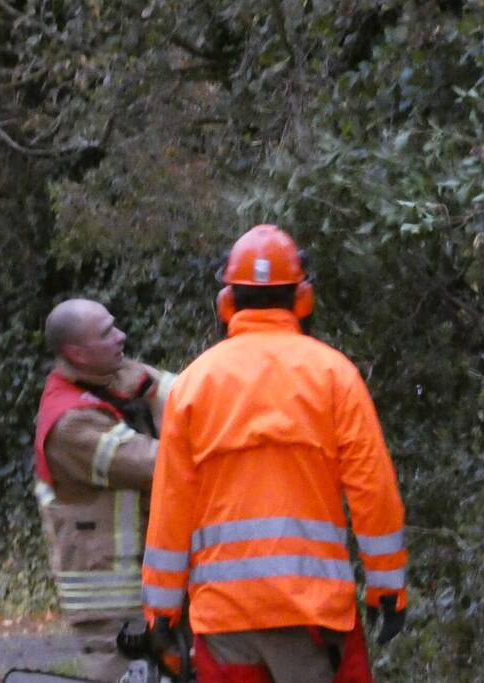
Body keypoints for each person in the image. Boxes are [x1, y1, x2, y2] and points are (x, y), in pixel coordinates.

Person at [141, 225, 408, 682]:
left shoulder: (193, 385)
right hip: (311, 613)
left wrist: (161, 611)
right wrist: (387, 588)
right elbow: (373, 492)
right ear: (303, 300)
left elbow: (171, 507)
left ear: (227, 303)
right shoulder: (333, 375)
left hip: (224, 618)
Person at [33, 298, 176, 681]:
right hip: (109, 605)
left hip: (141, 590)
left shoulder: (107, 376)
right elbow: (162, 464)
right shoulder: (70, 424)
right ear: (76, 353)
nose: (121, 337)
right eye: (106, 333)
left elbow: (191, 396)